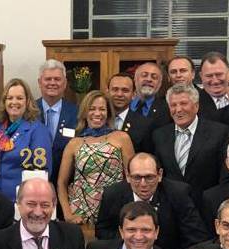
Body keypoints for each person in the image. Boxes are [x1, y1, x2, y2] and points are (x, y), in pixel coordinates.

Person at [96, 152, 209, 249]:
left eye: (149, 177)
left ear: (160, 175)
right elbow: (103, 230)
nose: (143, 184)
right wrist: (133, 244)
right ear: (128, 176)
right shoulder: (113, 194)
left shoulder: (178, 194)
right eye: (137, 177)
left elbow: (196, 236)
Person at [57, 90, 134, 224]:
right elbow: (61, 183)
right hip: (81, 214)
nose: (97, 113)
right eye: (92, 109)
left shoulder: (122, 138)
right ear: (84, 112)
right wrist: (68, 214)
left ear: (108, 113)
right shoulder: (74, 143)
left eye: (102, 109)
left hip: (113, 210)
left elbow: (132, 177)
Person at [152, 83, 228, 212]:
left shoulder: (219, 132)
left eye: (183, 104)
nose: (178, 109)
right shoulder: (159, 135)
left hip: (206, 207)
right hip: (172, 208)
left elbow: (224, 176)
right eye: (173, 105)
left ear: (196, 106)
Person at [0, 78, 53, 201]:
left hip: (20, 200)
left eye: (19, 98)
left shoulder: (38, 130)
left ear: (27, 101)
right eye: (10, 98)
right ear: (4, 101)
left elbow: (42, 173)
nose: (14, 102)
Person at [36, 60, 79, 187]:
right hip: (35, 182)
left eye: (57, 79)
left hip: (67, 183)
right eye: (48, 79)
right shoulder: (29, 112)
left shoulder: (77, 113)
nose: (52, 83)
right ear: (39, 82)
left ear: (64, 83)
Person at [107, 73, 153, 153]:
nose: (119, 94)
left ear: (134, 94)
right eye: (115, 89)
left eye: (125, 90)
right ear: (107, 92)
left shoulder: (144, 125)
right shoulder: (98, 120)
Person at [130, 62, 171, 131]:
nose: (149, 79)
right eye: (144, 75)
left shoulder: (167, 109)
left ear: (159, 84)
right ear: (135, 79)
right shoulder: (124, 104)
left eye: (154, 77)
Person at [197, 51, 229, 123]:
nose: (215, 81)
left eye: (219, 74)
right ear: (201, 76)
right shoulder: (194, 103)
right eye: (209, 76)